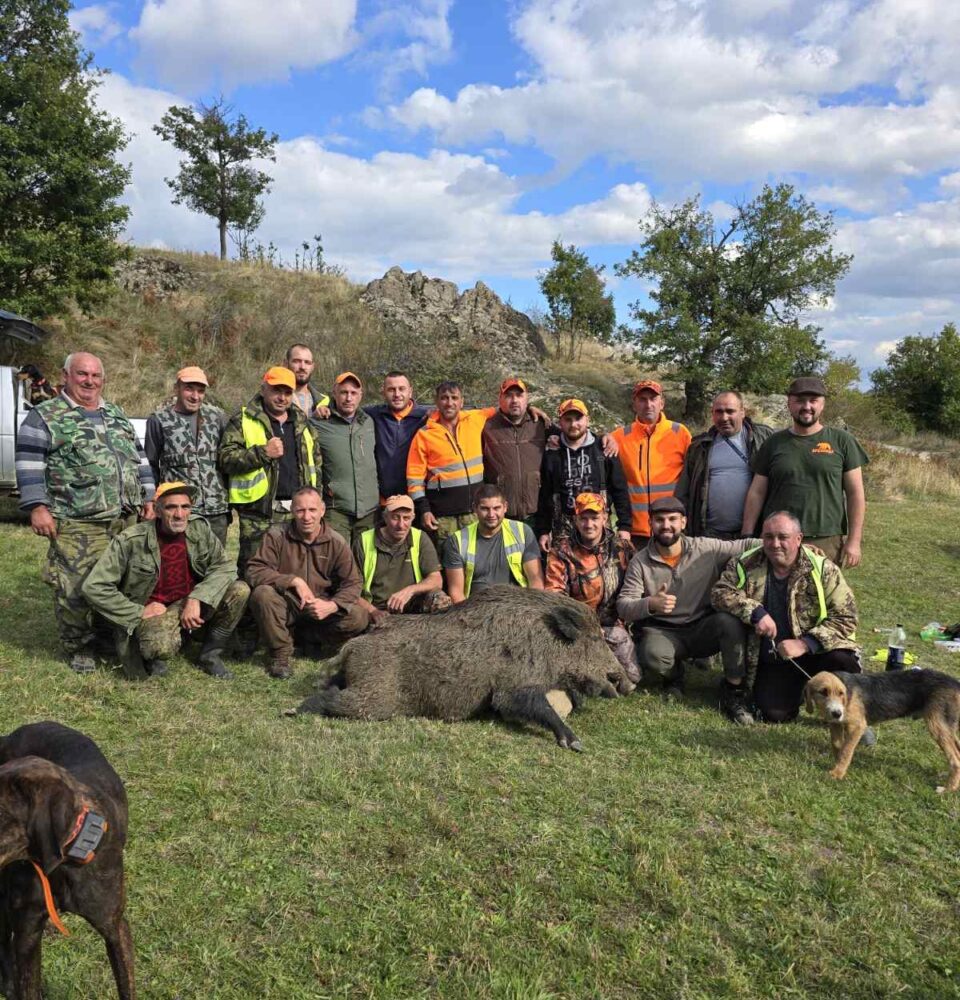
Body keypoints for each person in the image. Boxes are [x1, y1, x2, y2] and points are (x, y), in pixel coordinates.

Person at [15, 352, 155, 673]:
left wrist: (148, 497)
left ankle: (106, 636)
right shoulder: (45, 416)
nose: (89, 381)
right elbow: (28, 462)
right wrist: (37, 506)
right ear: (66, 376)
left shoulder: (116, 414)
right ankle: (78, 646)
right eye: (82, 374)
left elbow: (140, 458)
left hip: (124, 518)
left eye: (95, 376)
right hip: (77, 519)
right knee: (75, 586)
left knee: (114, 582)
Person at [82, 482, 249, 680]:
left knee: (240, 590)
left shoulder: (199, 528)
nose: (179, 514)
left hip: (188, 601)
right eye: (171, 507)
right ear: (158, 510)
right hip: (157, 609)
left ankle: (210, 655)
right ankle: (157, 652)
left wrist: (197, 598)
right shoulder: (131, 540)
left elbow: (224, 566)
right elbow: (93, 587)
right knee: (157, 646)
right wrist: (139, 611)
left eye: (185, 507)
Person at [616, 496, 760, 722]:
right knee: (653, 655)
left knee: (729, 622)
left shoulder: (706, 548)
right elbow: (624, 606)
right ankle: (674, 676)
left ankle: (734, 688)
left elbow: (744, 545)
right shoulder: (640, 561)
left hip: (702, 626)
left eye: (673, 519)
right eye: (659, 520)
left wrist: (785, 542)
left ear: (683, 522)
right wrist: (650, 604)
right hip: (664, 630)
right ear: (650, 524)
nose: (666, 525)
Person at [712, 510, 862, 723]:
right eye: (769, 537)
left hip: (820, 652)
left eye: (783, 537)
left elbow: (846, 617)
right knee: (774, 714)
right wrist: (755, 612)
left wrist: (805, 644)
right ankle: (801, 692)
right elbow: (720, 592)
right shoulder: (745, 563)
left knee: (843, 664)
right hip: (777, 659)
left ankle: (854, 716)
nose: (775, 544)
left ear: (799, 539)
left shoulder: (823, 568)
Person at [740, 376, 868, 566]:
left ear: (822, 405)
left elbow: (855, 494)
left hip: (825, 538)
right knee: (772, 592)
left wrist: (854, 541)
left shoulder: (842, 441)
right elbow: (757, 492)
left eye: (813, 401)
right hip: (778, 538)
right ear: (789, 404)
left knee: (820, 593)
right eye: (799, 401)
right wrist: (747, 534)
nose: (806, 406)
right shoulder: (773, 443)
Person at [246, 486, 368, 678]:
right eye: (300, 510)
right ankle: (281, 655)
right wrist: (292, 581)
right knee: (262, 594)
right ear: (292, 511)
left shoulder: (336, 541)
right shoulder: (277, 535)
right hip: (289, 603)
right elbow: (254, 570)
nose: (306, 517)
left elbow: (353, 582)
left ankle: (310, 638)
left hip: (321, 607)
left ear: (322, 511)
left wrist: (333, 605)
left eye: (312, 510)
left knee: (359, 616)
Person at [218, 366, 321, 577]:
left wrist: (315, 500)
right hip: (259, 514)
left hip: (297, 511)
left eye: (287, 392)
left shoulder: (303, 422)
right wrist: (263, 453)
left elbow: (316, 464)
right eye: (276, 391)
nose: (282, 397)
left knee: (295, 569)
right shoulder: (243, 420)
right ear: (264, 389)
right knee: (254, 571)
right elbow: (225, 459)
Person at [544, 492, 639, 684]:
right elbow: (555, 596)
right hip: (579, 630)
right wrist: (585, 626)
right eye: (583, 519)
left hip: (615, 628)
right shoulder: (561, 552)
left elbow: (637, 586)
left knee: (633, 677)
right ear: (575, 520)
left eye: (594, 518)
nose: (589, 525)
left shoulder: (622, 548)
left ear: (605, 517)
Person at [144, 366, 230, 545]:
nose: (195, 396)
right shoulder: (159, 420)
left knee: (216, 566)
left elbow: (228, 459)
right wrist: (150, 499)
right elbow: (151, 464)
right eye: (189, 389)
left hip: (216, 510)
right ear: (177, 389)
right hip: (180, 511)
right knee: (180, 564)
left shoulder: (217, 417)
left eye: (200, 391)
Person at [536, 398, 632, 552]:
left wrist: (625, 526)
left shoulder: (604, 449)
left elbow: (619, 490)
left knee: (602, 574)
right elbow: (545, 495)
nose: (573, 424)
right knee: (564, 574)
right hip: (563, 532)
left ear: (588, 420)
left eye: (578, 418)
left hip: (598, 526)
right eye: (568, 419)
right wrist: (543, 531)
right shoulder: (552, 453)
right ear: (560, 422)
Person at [406, 381, 496, 542]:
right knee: (447, 562)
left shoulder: (476, 418)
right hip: (442, 518)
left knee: (475, 562)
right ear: (436, 402)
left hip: (475, 512)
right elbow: (414, 479)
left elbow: (504, 410)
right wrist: (424, 510)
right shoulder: (424, 434)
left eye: (454, 398)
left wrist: (531, 409)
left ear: (462, 401)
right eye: (444, 398)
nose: (449, 403)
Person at [675, 391, 773, 539]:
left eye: (730, 411)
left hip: (753, 534)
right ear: (712, 414)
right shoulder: (699, 446)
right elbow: (683, 492)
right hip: (709, 536)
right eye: (719, 412)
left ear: (742, 412)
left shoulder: (765, 439)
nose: (724, 417)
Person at [610, 379, 691, 546]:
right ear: (634, 405)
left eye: (653, 399)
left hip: (671, 529)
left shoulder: (680, 433)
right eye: (642, 399)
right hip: (635, 532)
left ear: (662, 403)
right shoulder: (619, 437)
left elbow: (693, 476)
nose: (648, 404)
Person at [351, 494, 449, 624]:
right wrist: (372, 611)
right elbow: (350, 588)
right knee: (352, 615)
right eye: (395, 518)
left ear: (413, 518)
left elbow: (436, 579)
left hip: (412, 604)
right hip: (375, 608)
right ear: (385, 517)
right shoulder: (363, 541)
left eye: (406, 518)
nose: (401, 525)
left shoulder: (420, 538)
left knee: (440, 600)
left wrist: (410, 590)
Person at [442, 484, 544, 602]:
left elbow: (536, 582)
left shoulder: (522, 531)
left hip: (517, 606)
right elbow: (456, 593)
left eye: (496, 508)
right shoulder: (457, 541)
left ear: (505, 507)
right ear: (475, 508)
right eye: (485, 508)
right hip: (476, 609)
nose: (491, 515)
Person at [311, 371, 379, 546]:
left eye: (353, 393)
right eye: (344, 392)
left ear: (360, 396)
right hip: (337, 509)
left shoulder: (369, 422)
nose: (349, 398)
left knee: (366, 564)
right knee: (338, 562)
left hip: (369, 511)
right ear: (334, 394)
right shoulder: (318, 423)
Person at [481, 377, 549, 528]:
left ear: (527, 399)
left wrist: (606, 438)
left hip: (536, 515)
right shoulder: (486, 427)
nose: (514, 400)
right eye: (509, 395)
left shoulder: (541, 425)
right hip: (501, 517)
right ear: (500, 399)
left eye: (519, 395)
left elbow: (573, 435)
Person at [285, 343, 329, 417]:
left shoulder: (325, 401)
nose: (302, 367)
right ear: (286, 363)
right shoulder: (277, 399)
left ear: (312, 367)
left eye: (307, 362)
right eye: (297, 361)